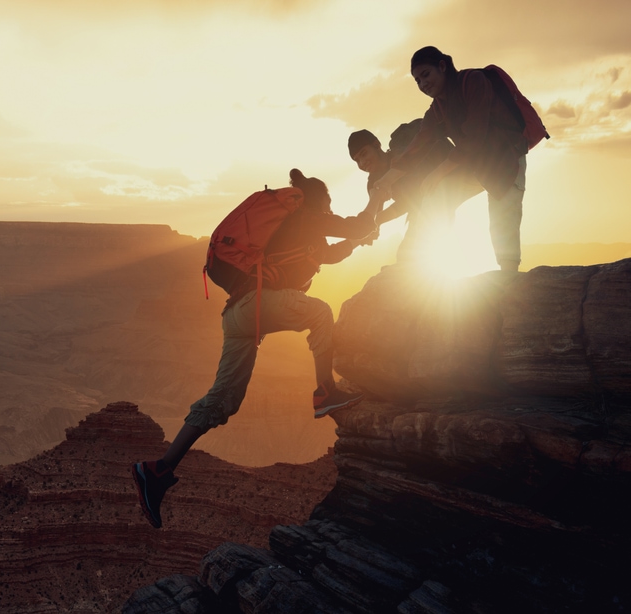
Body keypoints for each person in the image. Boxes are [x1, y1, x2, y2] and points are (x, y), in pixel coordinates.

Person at [131, 169, 379, 529]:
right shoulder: (308, 217)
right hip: (256, 306)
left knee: (222, 400)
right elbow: (353, 227)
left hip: (237, 315)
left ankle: (158, 469)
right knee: (321, 313)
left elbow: (331, 252)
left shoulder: (293, 231)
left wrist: (359, 239)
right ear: (316, 202)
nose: (329, 209)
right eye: (327, 203)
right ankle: (325, 391)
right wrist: (377, 201)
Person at [373, 46, 529, 273]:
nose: (422, 84)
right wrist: (386, 181)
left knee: (503, 217)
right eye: (417, 81)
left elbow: (474, 136)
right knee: (438, 195)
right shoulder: (437, 109)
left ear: (443, 66)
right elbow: (417, 147)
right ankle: (416, 264)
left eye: (426, 75)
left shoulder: (473, 81)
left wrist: (437, 173)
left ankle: (508, 276)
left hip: (506, 157)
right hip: (473, 164)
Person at [348, 122, 481, 263]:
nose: (362, 162)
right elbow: (378, 215)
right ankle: (413, 269)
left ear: (376, 145)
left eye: (364, 154)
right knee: (406, 254)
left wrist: (378, 219)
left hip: (463, 175)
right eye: (357, 160)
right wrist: (370, 228)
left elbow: (414, 196)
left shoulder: (404, 150)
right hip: (432, 198)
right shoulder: (373, 182)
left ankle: (423, 268)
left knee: (423, 230)